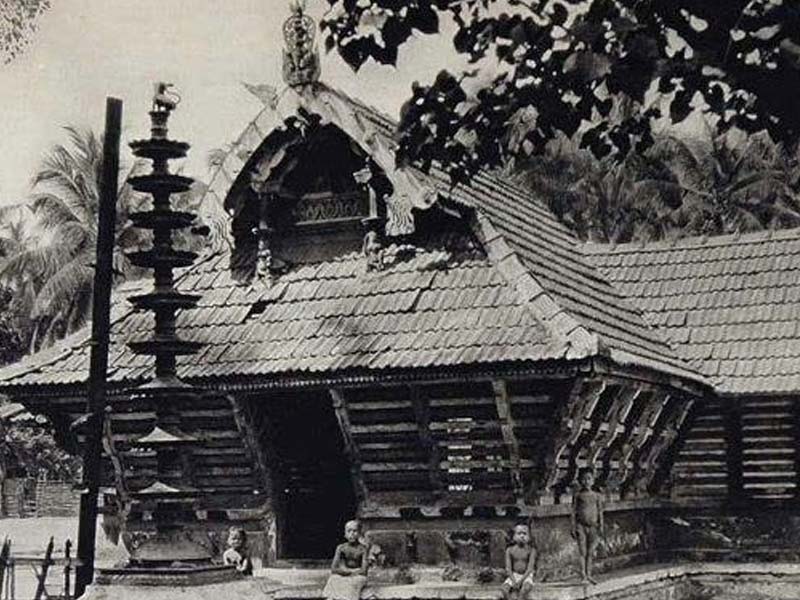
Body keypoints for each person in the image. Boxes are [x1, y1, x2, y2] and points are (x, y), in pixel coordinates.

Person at [571, 468, 605, 584]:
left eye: (589, 479)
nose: (586, 481)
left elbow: (600, 511)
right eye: (584, 479)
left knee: (590, 552)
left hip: (594, 526)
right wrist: (572, 526)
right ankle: (583, 576)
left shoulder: (597, 496)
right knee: (582, 551)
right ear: (580, 481)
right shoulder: (578, 495)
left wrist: (601, 526)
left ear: (593, 481)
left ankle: (589, 574)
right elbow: (573, 511)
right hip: (581, 526)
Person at [323, 519, 369, 600]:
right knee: (333, 579)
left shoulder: (363, 549)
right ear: (345, 534)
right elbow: (334, 568)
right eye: (349, 531)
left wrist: (352, 573)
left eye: (355, 531)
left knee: (354, 582)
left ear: (359, 533)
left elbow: (364, 571)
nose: (352, 534)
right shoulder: (341, 548)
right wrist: (348, 572)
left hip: (357, 576)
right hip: (345, 573)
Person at [501, 523, 538, 600]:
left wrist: (521, 581)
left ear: (529, 536)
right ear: (514, 536)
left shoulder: (531, 550)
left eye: (524, 533)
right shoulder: (510, 550)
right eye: (519, 533)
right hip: (514, 575)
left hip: (526, 575)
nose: (522, 536)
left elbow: (530, 568)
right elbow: (508, 568)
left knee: (525, 590)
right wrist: (514, 581)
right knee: (504, 589)